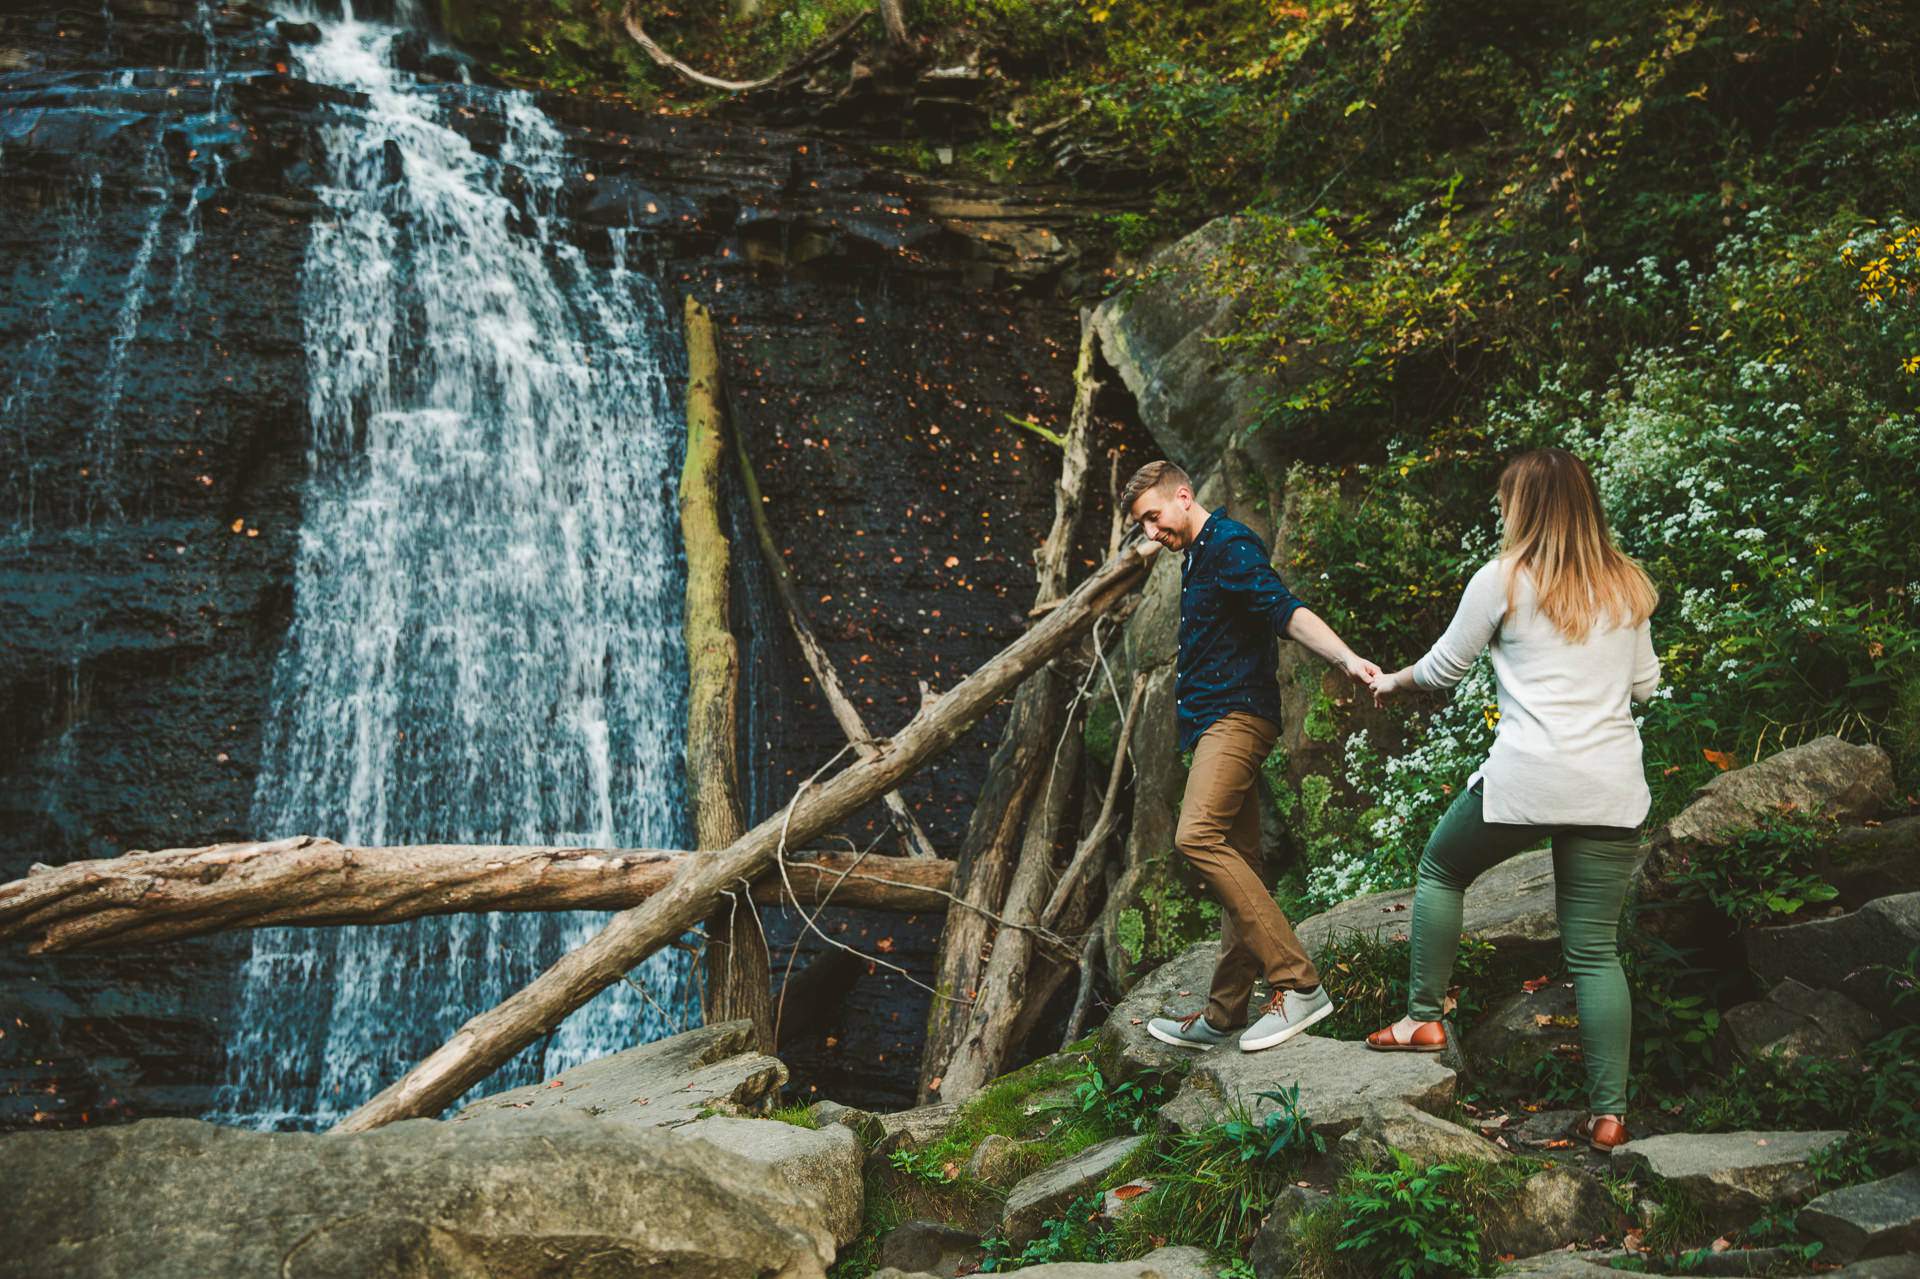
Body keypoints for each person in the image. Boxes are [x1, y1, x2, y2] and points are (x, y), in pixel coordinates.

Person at [1364, 447, 1660, 1153]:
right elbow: (1645, 687)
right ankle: (1609, 1113)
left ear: (1521, 508)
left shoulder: (1503, 579)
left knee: (1441, 868)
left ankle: (1421, 1018)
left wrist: (1392, 682)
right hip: (1610, 786)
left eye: (1507, 501)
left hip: (1527, 781)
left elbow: (1443, 667)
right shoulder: (1628, 587)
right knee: (1593, 952)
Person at [1121, 460, 1380, 1053]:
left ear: (1183, 497)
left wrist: (1345, 659)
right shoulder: (1196, 555)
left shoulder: (1229, 544)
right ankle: (1224, 1012)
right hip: (1214, 723)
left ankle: (1298, 983)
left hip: (1236, 719)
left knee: (1197, 836)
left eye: (1153, 518)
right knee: (1238, 858)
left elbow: (1284, 611)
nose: (1151, 533)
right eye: (1143, 525)